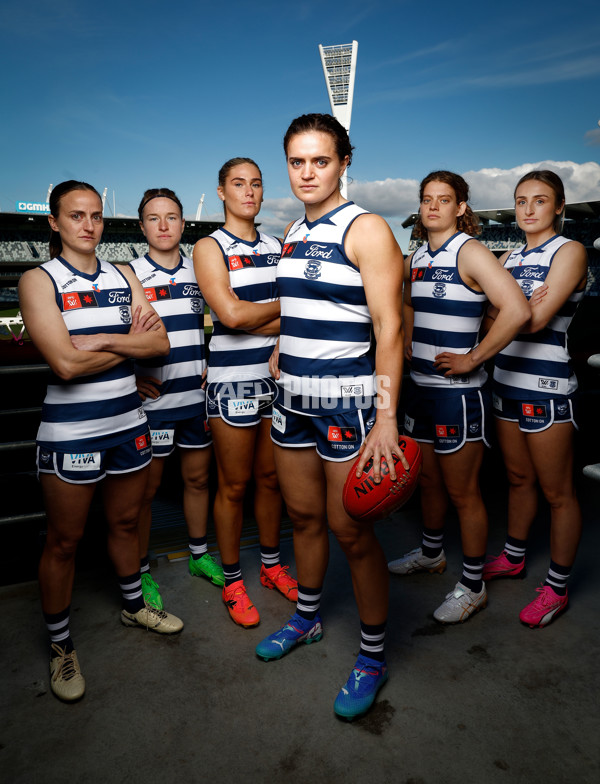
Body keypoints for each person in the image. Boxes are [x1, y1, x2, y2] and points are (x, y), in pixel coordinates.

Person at [254, 113, 406, 721]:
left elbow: (390, 327)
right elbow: (297, 308)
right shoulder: (292, 229)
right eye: (296, 162)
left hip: (347, 403)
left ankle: (372, 655)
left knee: (352, 531)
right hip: (292, 400)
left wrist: (388, 417)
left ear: (345, 162)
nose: (307, 172)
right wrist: (279, 351)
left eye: (320, 160)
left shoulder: (367, 229)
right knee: (305, 519)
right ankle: (308, 618)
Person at [18, 181, 183, 703]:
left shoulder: (122, 274)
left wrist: (107, 340)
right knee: (64, 542)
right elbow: (64, 363)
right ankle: (62, 646)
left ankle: (134, 606)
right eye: (75, 216)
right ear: (54, 223)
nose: (87, 225)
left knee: (126, 523)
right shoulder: (37, 279)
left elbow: (160, 343)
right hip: (72, 434)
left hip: (129, 424)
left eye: (95, 216)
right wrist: (128, 349)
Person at [387, 171, 529, 624]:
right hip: (421, 391)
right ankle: (432, 554)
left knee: (463, 492)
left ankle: (473, 586)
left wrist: (474, 359)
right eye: (426, 199)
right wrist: (408, 335)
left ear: (461, 208)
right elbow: (408, 302)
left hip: (458, 395)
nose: (433, 207)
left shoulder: (469, 251)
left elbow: (518, 309)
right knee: (426, 482)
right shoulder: (417, 256)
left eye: (443, 200)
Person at [193, 158, 297, 629]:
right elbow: (230, 316)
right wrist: (288, 309)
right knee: (233, 485)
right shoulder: (209, 246)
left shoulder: (278, 245)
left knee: (272, 480)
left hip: (276, 378)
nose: (249, 192)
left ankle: (272, 566)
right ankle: (233, 580)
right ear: (221, 192)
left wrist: (275, 330)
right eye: (239, 184)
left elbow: (267, 318)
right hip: (230, 380)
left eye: (256, 184)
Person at [484, 170, 587, 627]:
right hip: (505, 379)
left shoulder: (570, 251)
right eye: (521, 200)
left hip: (546, 389)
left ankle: (558, 587)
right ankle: (513, 556)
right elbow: (489, 323)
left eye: (540, 200)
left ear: (559, 207)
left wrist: (511, 310)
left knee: (558, 492)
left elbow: (535, 320)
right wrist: (507, 311)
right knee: (517, 478)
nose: (528, 209)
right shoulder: (506, 256)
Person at [130, 188, 222, 611]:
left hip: (195, 398)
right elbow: (118, 338)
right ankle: (141, 571)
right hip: (153, 403)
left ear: (184, 224)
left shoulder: (199, 271)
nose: (163, 225)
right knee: (144, 494)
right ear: (143, 225)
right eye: (154, 218)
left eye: (171, 217)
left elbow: (223, 321)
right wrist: (130, 380)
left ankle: (200, 555)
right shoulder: (129, 275)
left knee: (199, 480)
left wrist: (214, 365)